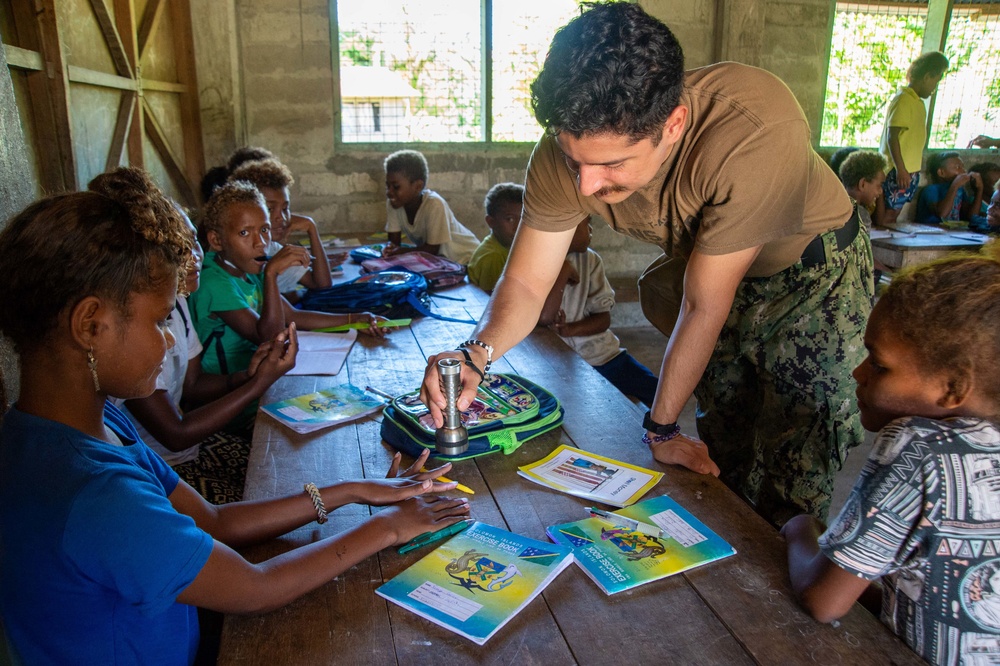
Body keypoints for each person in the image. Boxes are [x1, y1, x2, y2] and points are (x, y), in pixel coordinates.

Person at [419, 2, 872, 527]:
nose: (587, 185)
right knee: (723, 433)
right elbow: (524, 278)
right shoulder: (567, 148)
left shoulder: (752, 127)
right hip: (720, 278)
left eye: (611, 163)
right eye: (574, 161)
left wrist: (658, 428)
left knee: (797, 453)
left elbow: (704, 304)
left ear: (673, 124)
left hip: (814, 276)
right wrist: (476, 353)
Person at [0, 166, 471, 664]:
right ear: (90, 325)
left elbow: (211, 520)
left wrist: (353, 489)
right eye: (160, 321)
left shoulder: (83, 427)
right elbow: (255, 588)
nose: (168, 340)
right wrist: (390, 527)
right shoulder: (95, 496)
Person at [782, 245, 1000, 665]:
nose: (857, 373)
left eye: (879, 365)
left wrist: (801, 529)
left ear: (952, 387)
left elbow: (824, 600)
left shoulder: (919, 445)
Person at [119, 210, 296, 504]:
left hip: (189, 450)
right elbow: (174, 434)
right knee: (264, 495)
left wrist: (246, 376)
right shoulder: (134, 334)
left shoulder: (179, 302)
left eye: (194, 243)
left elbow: (192, 384)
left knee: (283, 467)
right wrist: (257, 385)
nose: (194, 257)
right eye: (178, 249)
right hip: (159, 468)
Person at [190, 181, 387, 379]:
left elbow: (293, 315)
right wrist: (271, 274)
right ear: (216, 240)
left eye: (264, 230)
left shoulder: (246, 269)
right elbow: (267, 337)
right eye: (244, 233)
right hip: (232, 391)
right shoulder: (213, 282)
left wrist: (356, 319)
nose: (260, 243)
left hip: (261, 378)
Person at [541, 220, 659, 407]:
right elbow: (545, 317)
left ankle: (666, 434)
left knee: (656, 391)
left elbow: (603, 320)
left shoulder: (590, 261)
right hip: (558, 364)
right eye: (586, 223)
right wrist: (563, 272)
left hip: (602, 355)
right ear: (565, 228)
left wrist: (570, 329)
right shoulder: (539, 261)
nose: (591, 229)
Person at [229, 157, 333, 300]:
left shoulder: (273, 249)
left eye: (285, 208)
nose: (281, 218)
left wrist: (311, 227)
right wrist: (291, 297)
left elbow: (322, 285)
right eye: (270, 209)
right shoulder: (238, 256)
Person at [875, 51, 950, 227]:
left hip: (908, 171)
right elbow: (892, 137)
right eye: (935, 81)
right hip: (898, 170)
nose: (935, 87)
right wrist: (901, 169)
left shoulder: (918, 102)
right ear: (926, 76)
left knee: (893, 216)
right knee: (886, 218)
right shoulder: (903, 100)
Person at [382, 149, 480, 264]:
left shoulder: (434, 204)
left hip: (470, 259)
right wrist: (390, 249)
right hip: (444, 263)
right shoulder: (395, 202)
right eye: (387, 186)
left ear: (418, 186)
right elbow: (394, 244)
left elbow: (432, 250)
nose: (389, 192)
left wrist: (401, 252)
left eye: (396, 187)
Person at [467, 182, 525, 293]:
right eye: (510, 219)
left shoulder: (501, 244)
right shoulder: (494, 257)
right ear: (491, 222)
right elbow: (492, 301)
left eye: (523, 219)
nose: (518, 227)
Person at [914, 151, 986, 228]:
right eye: (958, 167)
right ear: (941, 173)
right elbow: (942, 214)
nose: (964, 171)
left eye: (963, 167)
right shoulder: (930, 190)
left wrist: (979, 189)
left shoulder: (960, 190)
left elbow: (972, 217)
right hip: (930, 232)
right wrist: (954, 185)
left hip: (950, 232)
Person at [838, 150, 887, 230]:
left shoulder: (833, 205)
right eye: (879, 185)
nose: (881, 191)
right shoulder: (861, 216)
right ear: (862, 184)